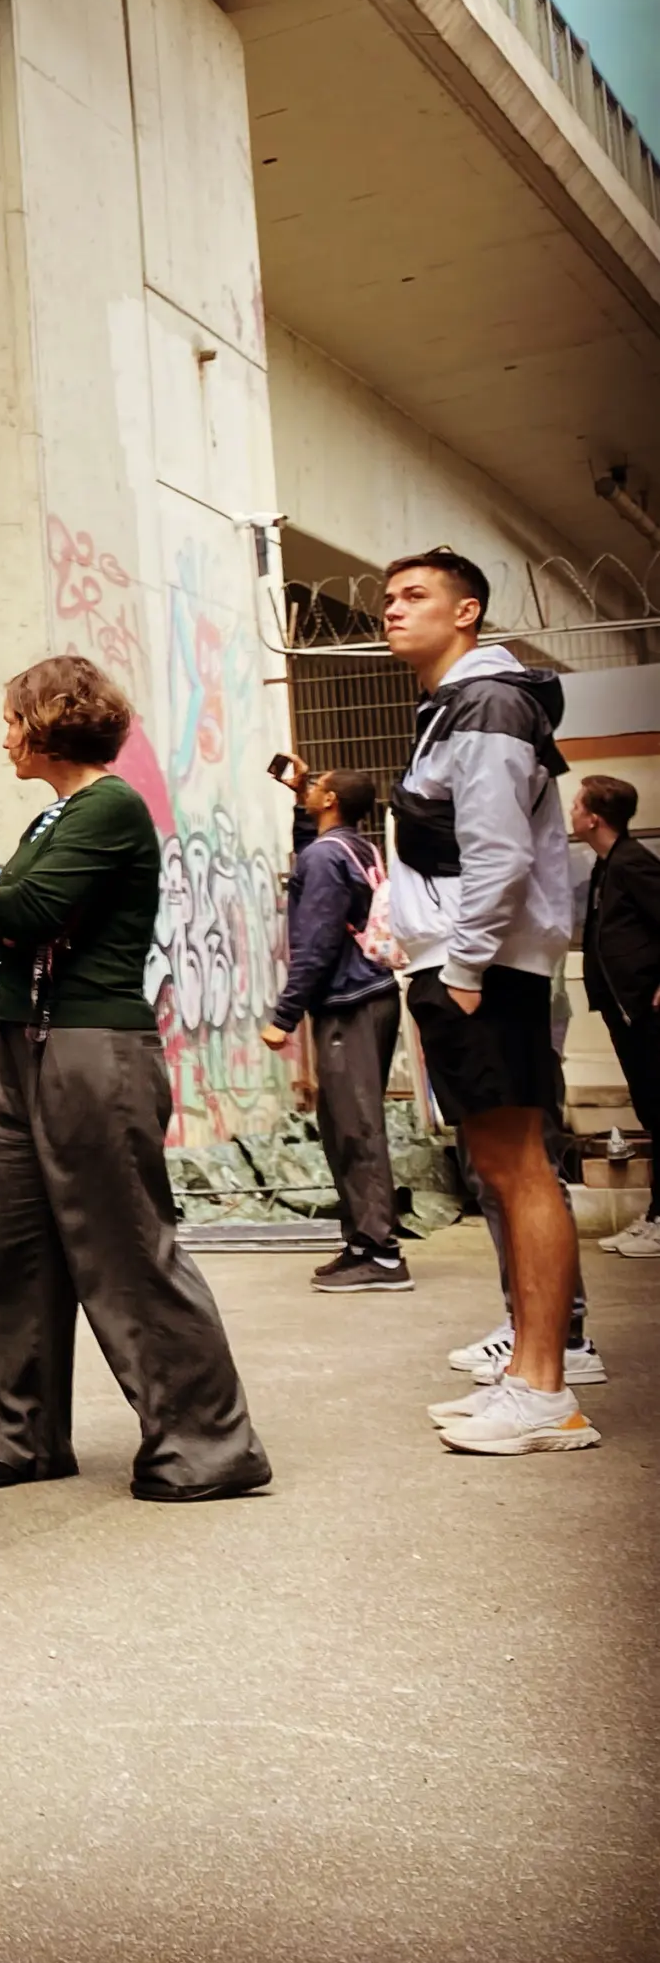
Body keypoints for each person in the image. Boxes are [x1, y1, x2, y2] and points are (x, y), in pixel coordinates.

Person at [0, 657, 271, 1503]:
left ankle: (208, 1445)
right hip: (22, 1041)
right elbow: (2, 934)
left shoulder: (110, 806)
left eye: (11, 720)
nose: (4, 737)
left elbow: (17, 915)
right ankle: (26, 1438)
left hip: (93, 1047)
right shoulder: (51, 821)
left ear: (45, 723)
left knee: (124, 1247)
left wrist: (0, 905)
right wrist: (4, 910)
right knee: (13, 1251)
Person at [382, 548, 600, 1455]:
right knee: (503, 1172)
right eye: (388, 598)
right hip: (468, 966)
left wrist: (465, 967)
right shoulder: (456, 707)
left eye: (415, 595)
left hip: (486, 970)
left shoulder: (486, 702)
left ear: (467, 611)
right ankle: (529, 1373)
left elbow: (500, 851)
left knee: (520, 1172)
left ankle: (548, 1390)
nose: (393, 610)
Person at [259, 770, 409, 1291]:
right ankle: (361, 1243)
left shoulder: (327, 856)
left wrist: (284, 1016)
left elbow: (317, 941)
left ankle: (382, 1255)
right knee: (345, 1121)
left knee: (357, 1126)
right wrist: (300, 803)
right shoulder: (352, 847)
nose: (309, 788)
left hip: (351, 1002)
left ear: (331, 800)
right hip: (369, 995)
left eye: (315, 786)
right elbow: (313, 866)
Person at [574, 773, 660, 1257]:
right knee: (650, 1110)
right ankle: (653, 1215)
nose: (572, 813)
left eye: (578, 806)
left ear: (594, 817)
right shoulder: (605, 866)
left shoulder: (631, 863)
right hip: (621, 1010)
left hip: (644, 1008)